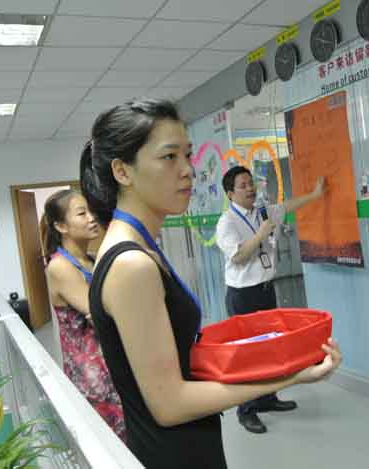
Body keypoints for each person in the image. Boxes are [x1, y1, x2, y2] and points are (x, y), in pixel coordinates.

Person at [79, 99, 341, 468]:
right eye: (169, 157)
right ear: (122, 171)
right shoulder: (131, 265)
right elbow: (170, 405)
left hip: (187, 442)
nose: (188, 170)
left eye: (187, 155)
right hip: (173, 454)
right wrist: (289, 375)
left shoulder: (137, 248)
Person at [215, 165, 326, 434]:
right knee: (247, 354)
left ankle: (267, 398)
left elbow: (286, 206)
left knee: (270, 347)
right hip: (243, 295)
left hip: (266, 289)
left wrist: (314, 195)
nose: (250, 189)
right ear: (230, 193)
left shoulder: (262, 211)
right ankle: (246, 410)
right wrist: (261, 234)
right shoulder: (227, 223)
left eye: (251, 183)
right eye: (243, 185)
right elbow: (238, 256)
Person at [40, 189, 126, 440]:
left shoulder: (91, 260)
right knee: (114, 445)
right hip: (94, 376)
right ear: (61, 226)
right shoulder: (59, 267)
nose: (91, 218)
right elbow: (101, 312)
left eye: (90, 211)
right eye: (81, 213)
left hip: (112, 362)